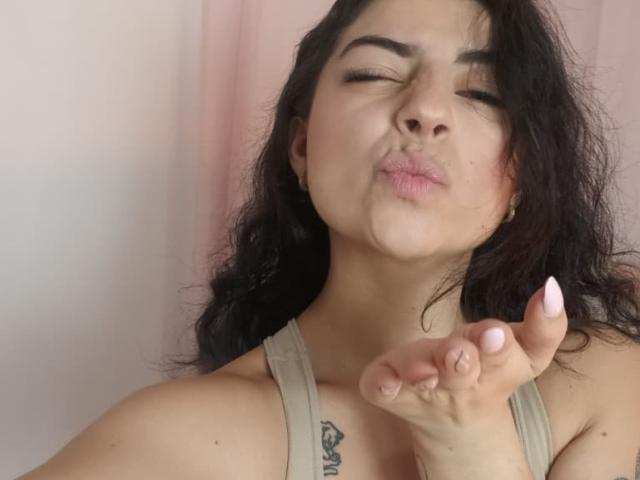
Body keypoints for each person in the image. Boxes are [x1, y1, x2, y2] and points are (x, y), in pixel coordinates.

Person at [18, 0, 640, 478]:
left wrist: (470, 434)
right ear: (301, 146)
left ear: (521, 180)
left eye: (481, 92)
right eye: (375, 73)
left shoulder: (607, 387)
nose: (426, 111)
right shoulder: (183, 438)